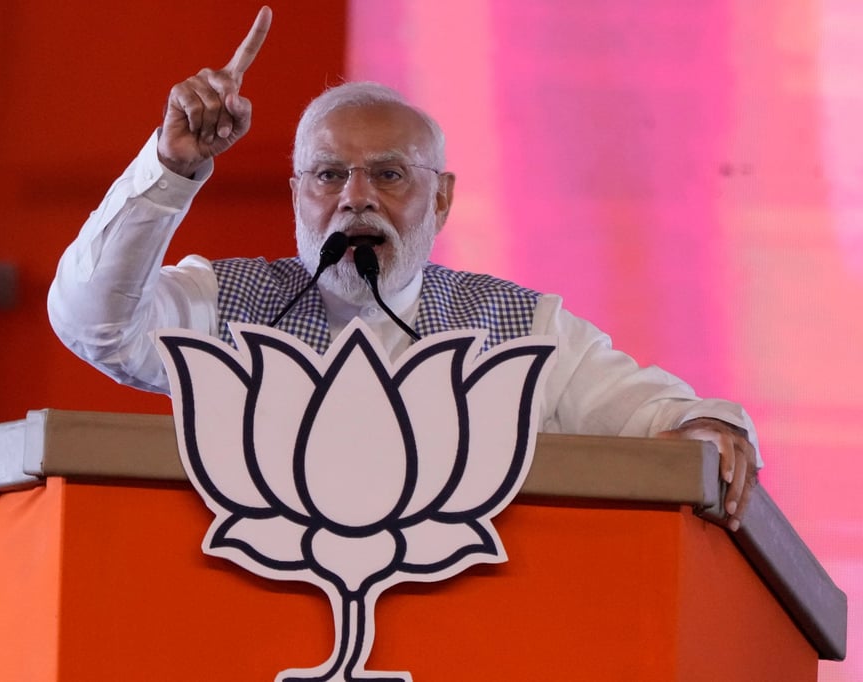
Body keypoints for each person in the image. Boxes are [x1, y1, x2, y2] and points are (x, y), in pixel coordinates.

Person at [48, 6, 759, 531]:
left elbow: (664, 419)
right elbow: (93, 325)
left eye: (388, 175)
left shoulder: (518, 327)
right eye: (329, 174)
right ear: (297, 195)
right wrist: (172, 165)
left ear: (441, 198)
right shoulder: (224, 306)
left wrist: (708, 431)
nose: (355, 197)